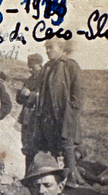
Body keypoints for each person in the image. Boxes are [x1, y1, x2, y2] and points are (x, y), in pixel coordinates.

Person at [34, 40, 86, 186]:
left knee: (66, 145)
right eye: (46, 48)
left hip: (64, 115)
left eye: (51, 47)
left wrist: (71, 113)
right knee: (52, 147)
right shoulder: (47, 67)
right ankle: (56, 179)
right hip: (48, 117)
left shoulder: (70, 66)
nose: (47, 51)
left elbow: (78, 94)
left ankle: (71, 179)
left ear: (61, 48)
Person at [16, 54, 44, 169]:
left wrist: (30, 94)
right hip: (28, 119)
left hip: (39, 119)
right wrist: (21, 94)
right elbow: (20, 100)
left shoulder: (46, 79)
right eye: (29, 67)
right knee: (27, 148)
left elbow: (46, 97)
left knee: (39, 148)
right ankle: (28, 175)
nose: (30, 69)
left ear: (40, 65)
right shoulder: (29, 80)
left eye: (33, 67)